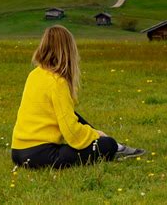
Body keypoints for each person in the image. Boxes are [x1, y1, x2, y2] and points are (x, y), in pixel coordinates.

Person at [11, 25, 145, 169]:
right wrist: (95, 136)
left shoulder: (35, 74)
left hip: (18, 153)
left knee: (73, 115)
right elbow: (72, 133)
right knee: (108, 144)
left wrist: (93, 133)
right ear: (69, 51)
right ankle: (116, 147)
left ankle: (111, 143)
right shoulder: (57, 82)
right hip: (40, 155)